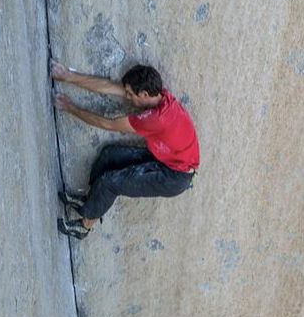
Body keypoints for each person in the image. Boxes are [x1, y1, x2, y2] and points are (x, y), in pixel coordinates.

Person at [51, 61, 199, 239]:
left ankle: (85, 226)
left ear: (144, 94)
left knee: (110, 183)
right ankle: (90, 201)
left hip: (174, 178)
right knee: (109, 155)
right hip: (166, 160)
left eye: (130, 95)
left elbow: (108, 124)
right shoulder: (160, 96)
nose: (127, 98)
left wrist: (70, 108)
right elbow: (111, 88)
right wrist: (68, 76)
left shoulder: (155, 119)